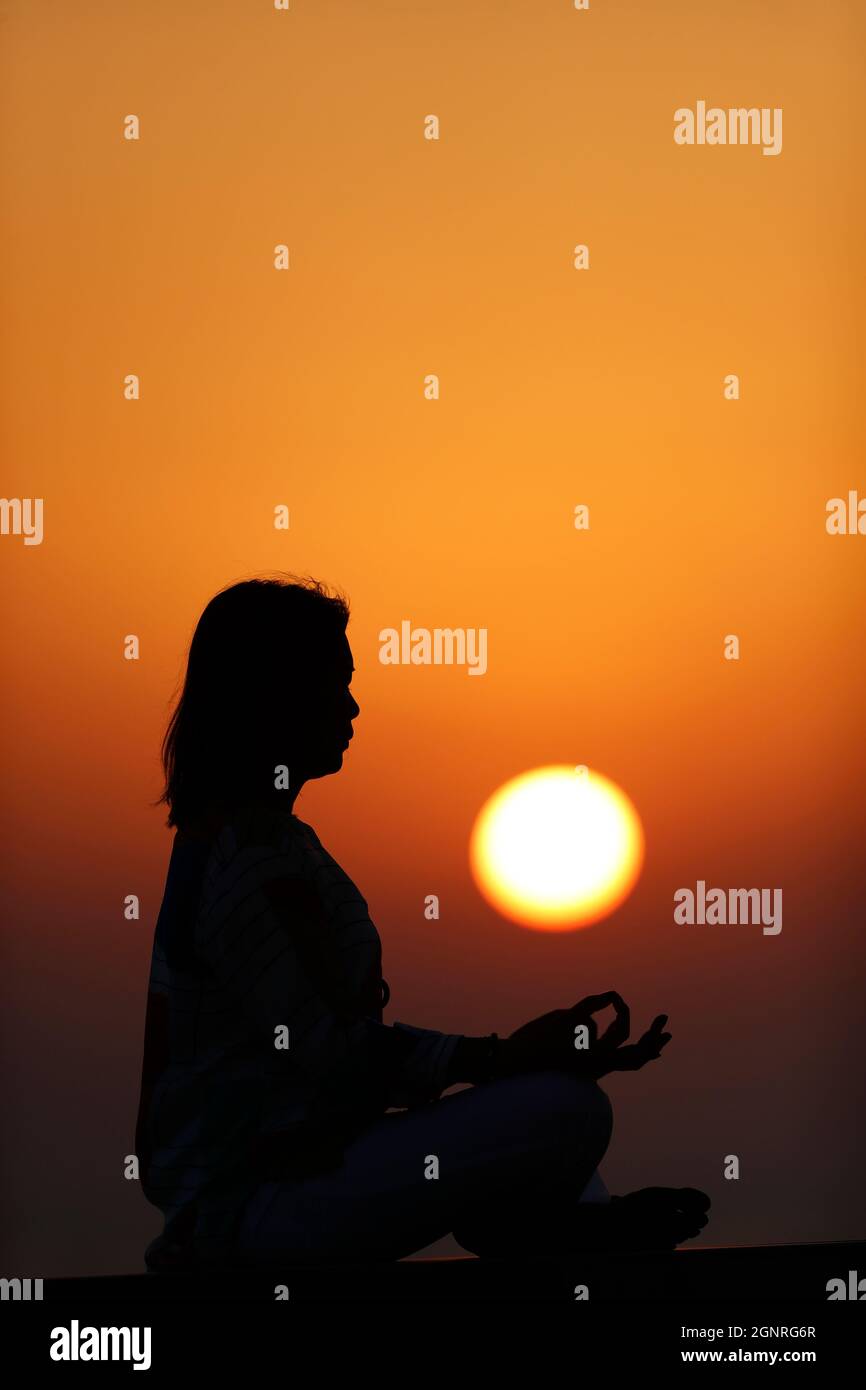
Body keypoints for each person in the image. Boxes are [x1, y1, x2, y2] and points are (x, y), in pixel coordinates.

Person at [134, 575, 710, 1270]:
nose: (352, 705)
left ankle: (572, 1225)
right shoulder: (251, 859)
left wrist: (508, 1061)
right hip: (257, 1214)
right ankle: (570, 1230)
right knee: (566, 1110)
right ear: (275, 694)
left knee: (551, 1104)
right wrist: (499, 1058)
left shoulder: (259, 842)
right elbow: (333, 1057)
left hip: (283, 1189)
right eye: (334, 681)